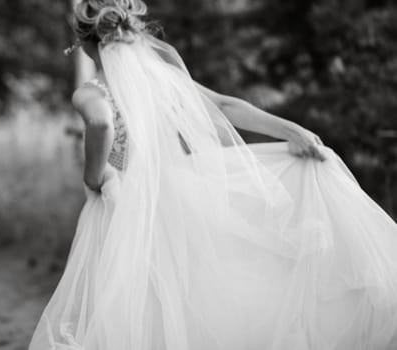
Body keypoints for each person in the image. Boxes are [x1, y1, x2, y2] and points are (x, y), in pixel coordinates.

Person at [29, 1, 397, 349]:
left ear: (85, 44)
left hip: (125, 206)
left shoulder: (91, 92)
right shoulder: (164, 79)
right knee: (192, 296)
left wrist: (96, 175)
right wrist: (291, 130)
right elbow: (225, 104)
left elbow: (100, 120)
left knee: (127, 300)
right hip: (180, 198)